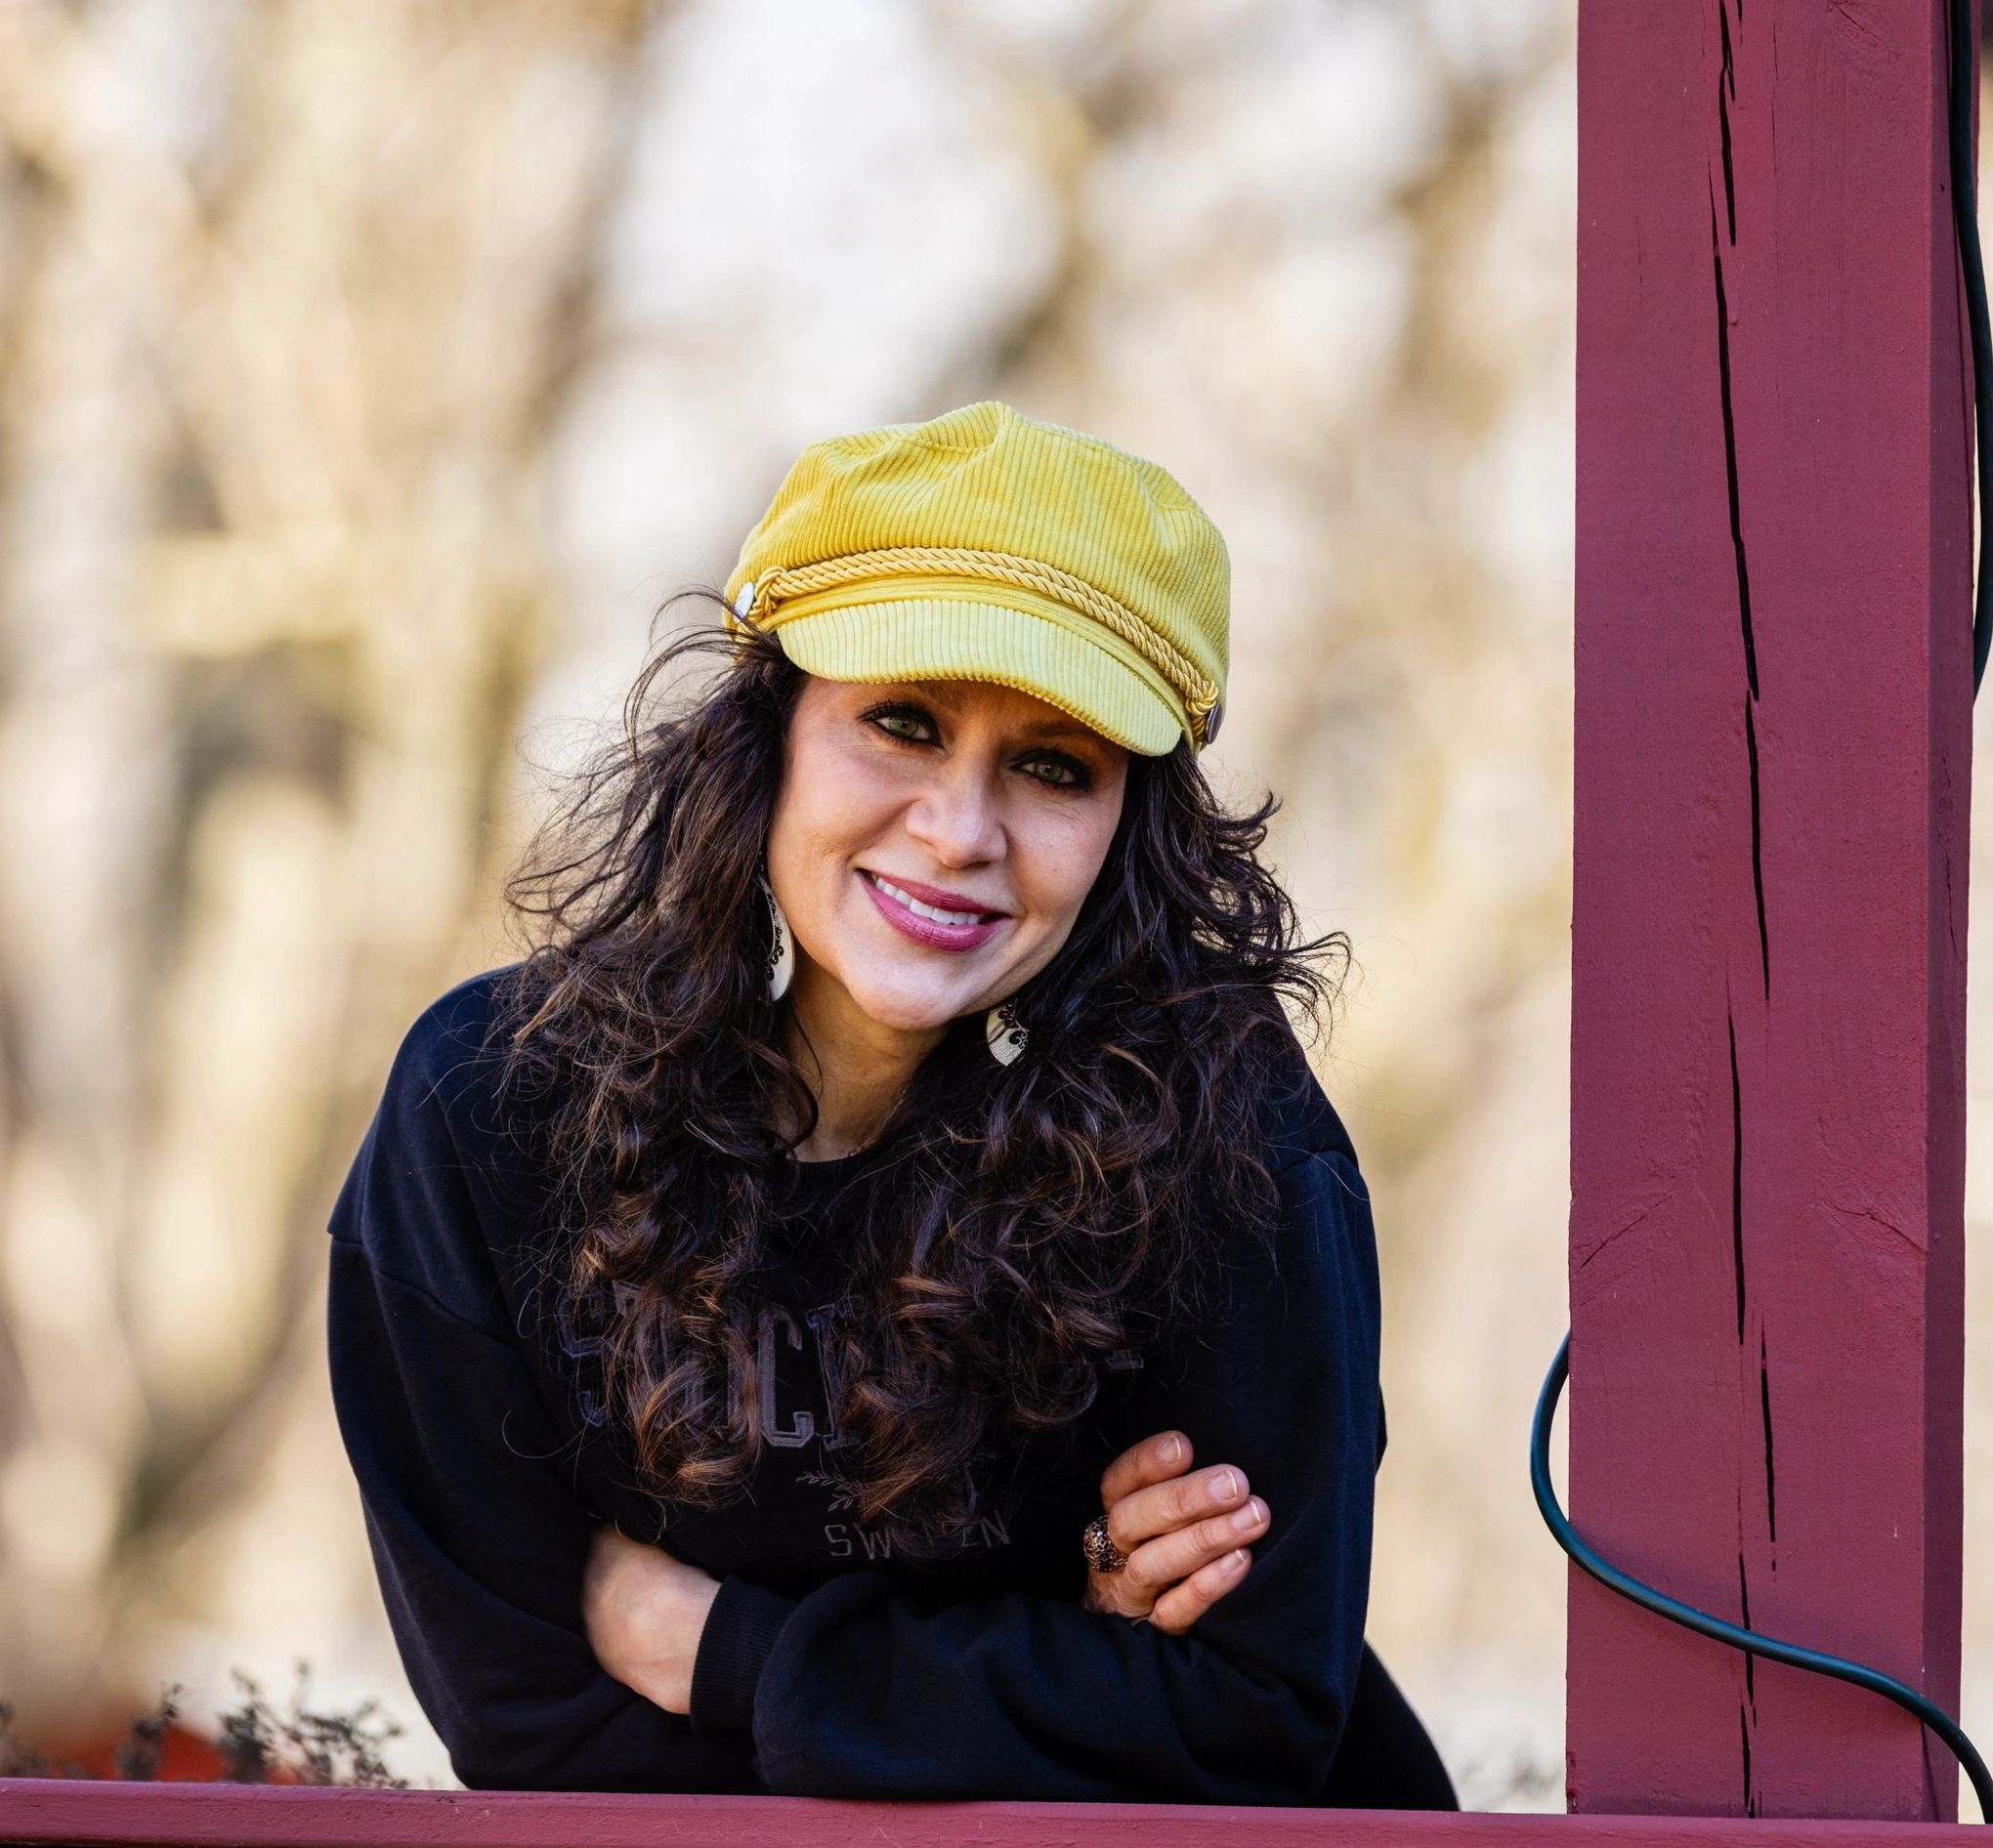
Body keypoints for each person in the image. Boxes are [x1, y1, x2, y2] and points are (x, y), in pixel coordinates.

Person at [325, 399, 1458, 1808]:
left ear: (1131, 829)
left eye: (1055, 766)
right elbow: (532, 1726)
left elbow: (1254, 1712)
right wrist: (1060, 1661)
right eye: (901, 722)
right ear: (767, 737)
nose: (958, 830)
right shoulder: (491, 1117)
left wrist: (724, 1652)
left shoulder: (1224, 1143)